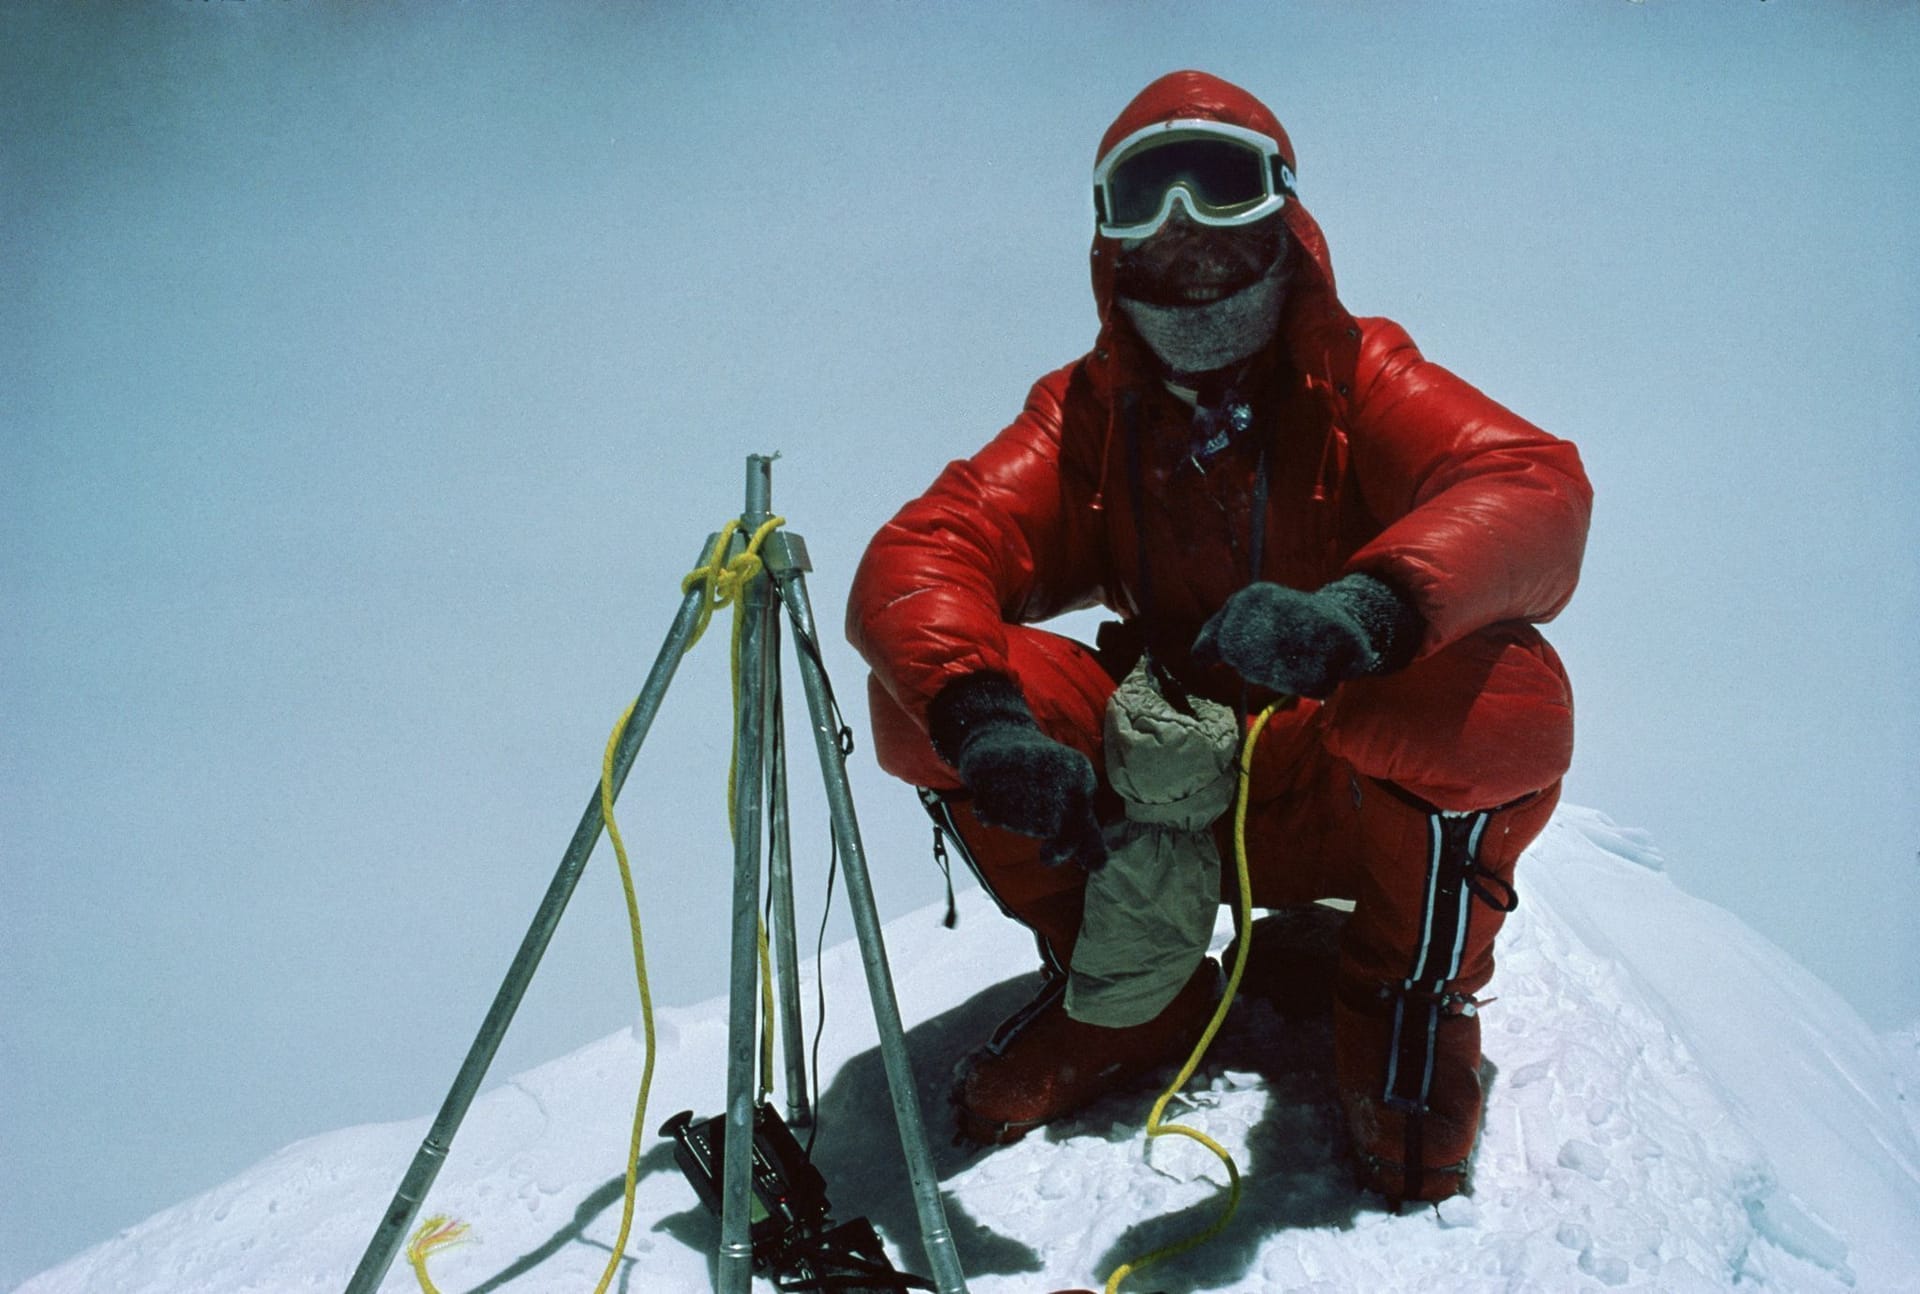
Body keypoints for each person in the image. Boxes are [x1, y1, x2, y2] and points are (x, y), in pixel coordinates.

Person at [845, 69, 1589, 1204]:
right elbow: (928, 551)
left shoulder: (1359, 373)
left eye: (1221, 183)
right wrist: (985, 722)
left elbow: (1528, 483)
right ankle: (1128, 993)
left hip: (1324, 775)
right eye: (1144, 191)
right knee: (926, 692)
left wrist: (1364, 611)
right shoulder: (1088, 410)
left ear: (1283, 208)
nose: (1184, 225)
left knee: (1503, 697)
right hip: (1159, 778)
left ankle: (1405, 1000)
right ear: (1107, 239)